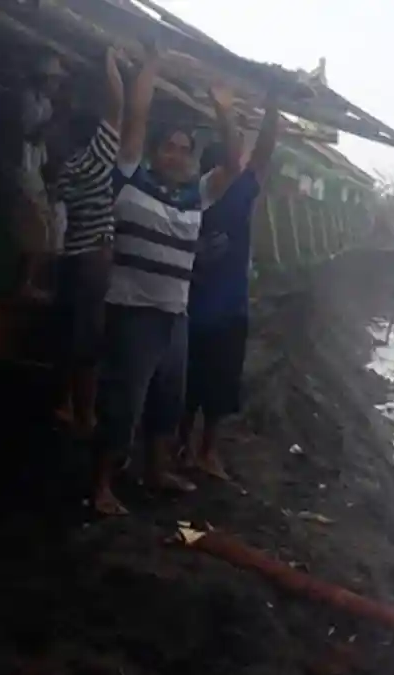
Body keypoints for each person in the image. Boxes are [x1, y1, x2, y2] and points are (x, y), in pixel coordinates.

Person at [92, 41, 243, 514]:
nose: (177, 155)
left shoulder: (193, 196)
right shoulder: (131, 180)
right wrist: (152, 66)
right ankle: (100, 487)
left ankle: (156, 470)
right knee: (123, 401)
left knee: (168, 399)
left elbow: (233, 167)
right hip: (134, 312)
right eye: (170, 147)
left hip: (174, 314)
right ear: (154, 152)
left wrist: (224, 112)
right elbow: (134, 119)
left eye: (184, 149)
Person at [177, 89, 282, 480]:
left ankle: (199, 451)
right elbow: (259, 157)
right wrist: (269, 107)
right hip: (198, 309)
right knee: (195, 388)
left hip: (217, 309)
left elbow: (261, 156)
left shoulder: (224, 195)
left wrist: (272, 106)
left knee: (214, 391)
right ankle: (192, 448)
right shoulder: (190, 198)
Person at [51, 46, 126, 440]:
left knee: (71, 337)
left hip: (71, 258)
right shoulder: (98, 160)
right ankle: (85, 415)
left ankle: (64, 403)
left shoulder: (66, 171)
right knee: (90, 345)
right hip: (94, 260)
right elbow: (117, 108)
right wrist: (110, 61)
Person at [15, 53, 66, 300]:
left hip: (35, 166)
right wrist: (47, 129)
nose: (56, 85)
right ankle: (25, 282)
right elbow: (29, 133)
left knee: (49, 226)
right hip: (22, 164)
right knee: (37, 225)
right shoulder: (27, 99)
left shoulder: (47, 104)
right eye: (54, 80)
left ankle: (33, 281)